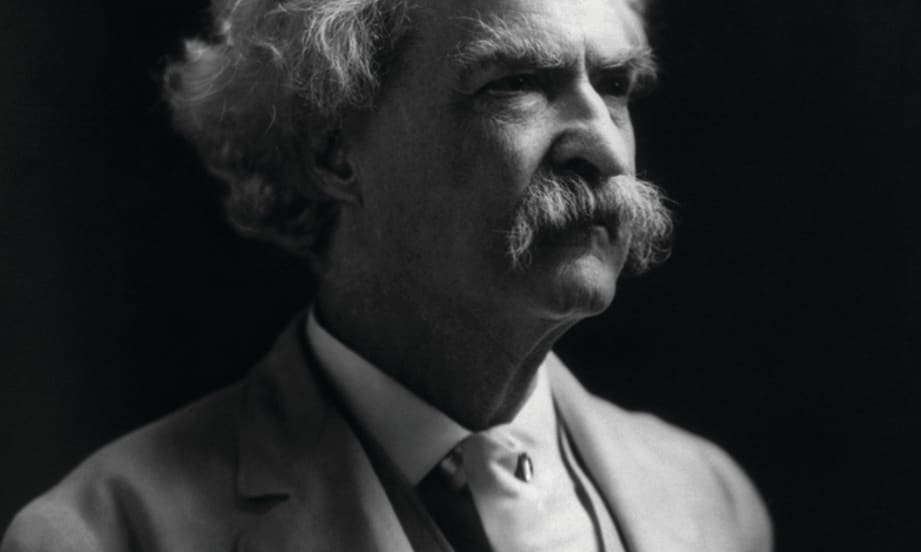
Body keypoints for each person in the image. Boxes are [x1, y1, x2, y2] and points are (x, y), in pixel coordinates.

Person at [2, 0, 772, 550]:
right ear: (335, 152)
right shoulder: (103, 534)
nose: (603, 149)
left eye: (614, 85)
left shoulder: (712, 501)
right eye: (513, 83)